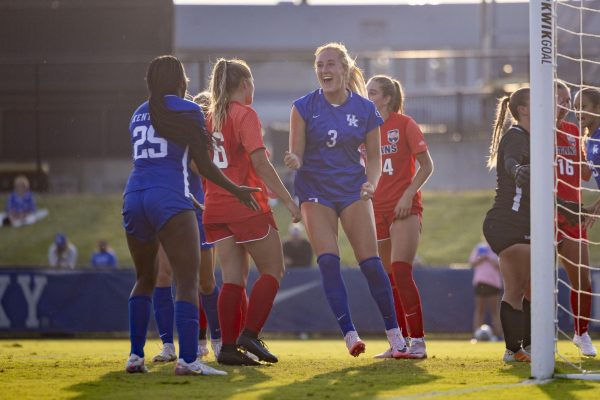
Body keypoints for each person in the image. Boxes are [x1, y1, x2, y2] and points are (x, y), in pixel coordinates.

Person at [122, 55, 259, 376]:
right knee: (187, 281)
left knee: (144, 278)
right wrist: (236, 189)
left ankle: (134, 356)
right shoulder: (189, 110)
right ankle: (187, 359)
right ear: (180, 80)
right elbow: (206, 164)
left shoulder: (138, 113)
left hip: (133, 197)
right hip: (170, 197)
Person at [284, 43, 407, 358]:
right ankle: (350, 334)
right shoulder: (302, 106)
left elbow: (376, 158)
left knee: (371, 263)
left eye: (330, 64)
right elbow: (296, 151)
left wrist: (372, 183)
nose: (324, 70)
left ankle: (396, 338)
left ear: (344, 69)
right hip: (315, 190)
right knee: (328, 260)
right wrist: (294, 160)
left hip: (352, 189)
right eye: (319, 65)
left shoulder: (365, 109)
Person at [203, 58, 301, 366]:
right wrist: (287, 199)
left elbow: (196, 163)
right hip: (246, 205)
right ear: (245, 85)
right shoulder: (244, 114)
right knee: (273, 270)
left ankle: (229, 348)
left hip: (215, 207)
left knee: (233, 278)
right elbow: (261, 163)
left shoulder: (208, 117)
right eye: (252, 84)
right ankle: (250, 334)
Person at [366, 75, 434, 359]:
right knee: (389, 278)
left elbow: (427, 166)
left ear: (387, 98)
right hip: (375, 210)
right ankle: (399, 342)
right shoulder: (364, 130)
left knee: (402, 270)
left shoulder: (404, 124)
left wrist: (408, 194)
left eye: (372, 93)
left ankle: (418, 341)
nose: (366, 97)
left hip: (403, 209)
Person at [482, 88, 533, 363]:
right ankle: (514, 350)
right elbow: (510, 160)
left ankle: (526, 347)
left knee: (532, 286)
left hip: (522, 221)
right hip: (507, 221)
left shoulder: (535, 139)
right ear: (524, 109)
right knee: (518, 286)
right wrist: (517, 171)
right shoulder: (516, 136)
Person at [555, 82, 596, 357]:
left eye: (568, 101)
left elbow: (583, 175)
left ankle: (581, 334)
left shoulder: (575, 133)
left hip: (571, 211)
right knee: (532, 279)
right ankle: (527, 338)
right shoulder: (529, 133)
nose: (567, 106)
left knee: (583, 279)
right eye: (562, 99)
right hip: (540, 211)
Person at [468, 241, 502, 341]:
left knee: (494, 310)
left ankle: (499, 335)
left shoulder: (497, 248)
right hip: (480, 282)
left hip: (493, 283)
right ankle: (476, 334)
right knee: (480, 310)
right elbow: (471, 263)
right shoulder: (479, 248)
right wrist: (481, 258)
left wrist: (489, 259)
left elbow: (501, 265)